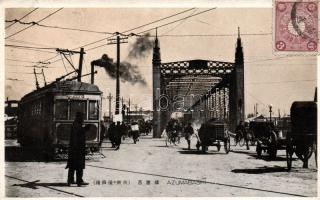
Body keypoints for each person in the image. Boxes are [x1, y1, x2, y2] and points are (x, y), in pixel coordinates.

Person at [66, 112, 89, 187]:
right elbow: (78, 135)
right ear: (78, 117)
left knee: (72, 166)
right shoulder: (76, 125)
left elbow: (79, 133)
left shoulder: (76, 124)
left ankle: (70, 180)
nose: (83, 119)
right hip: (77, 149)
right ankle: (79, 181)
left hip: (74, 149)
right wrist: (85, 129)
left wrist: (84, 129)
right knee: (79, 166)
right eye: (82, 117)